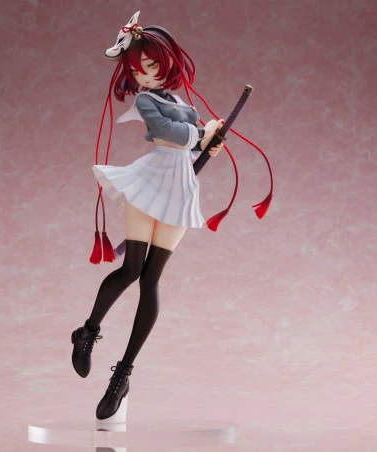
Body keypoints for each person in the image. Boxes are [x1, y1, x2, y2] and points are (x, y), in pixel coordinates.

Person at [71, 12, 236, 422]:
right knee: (131, 269)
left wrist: (209, 146)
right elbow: (167, 133)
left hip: (180, 191)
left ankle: (122, 374)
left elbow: (191, 147)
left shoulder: (183, 103)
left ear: (169, 61)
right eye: (137, 69)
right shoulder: (147, 101)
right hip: (150, 184)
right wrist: (201, 134)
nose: (144, 74)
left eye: (151, 66)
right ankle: (88, 331)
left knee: (151, 280)